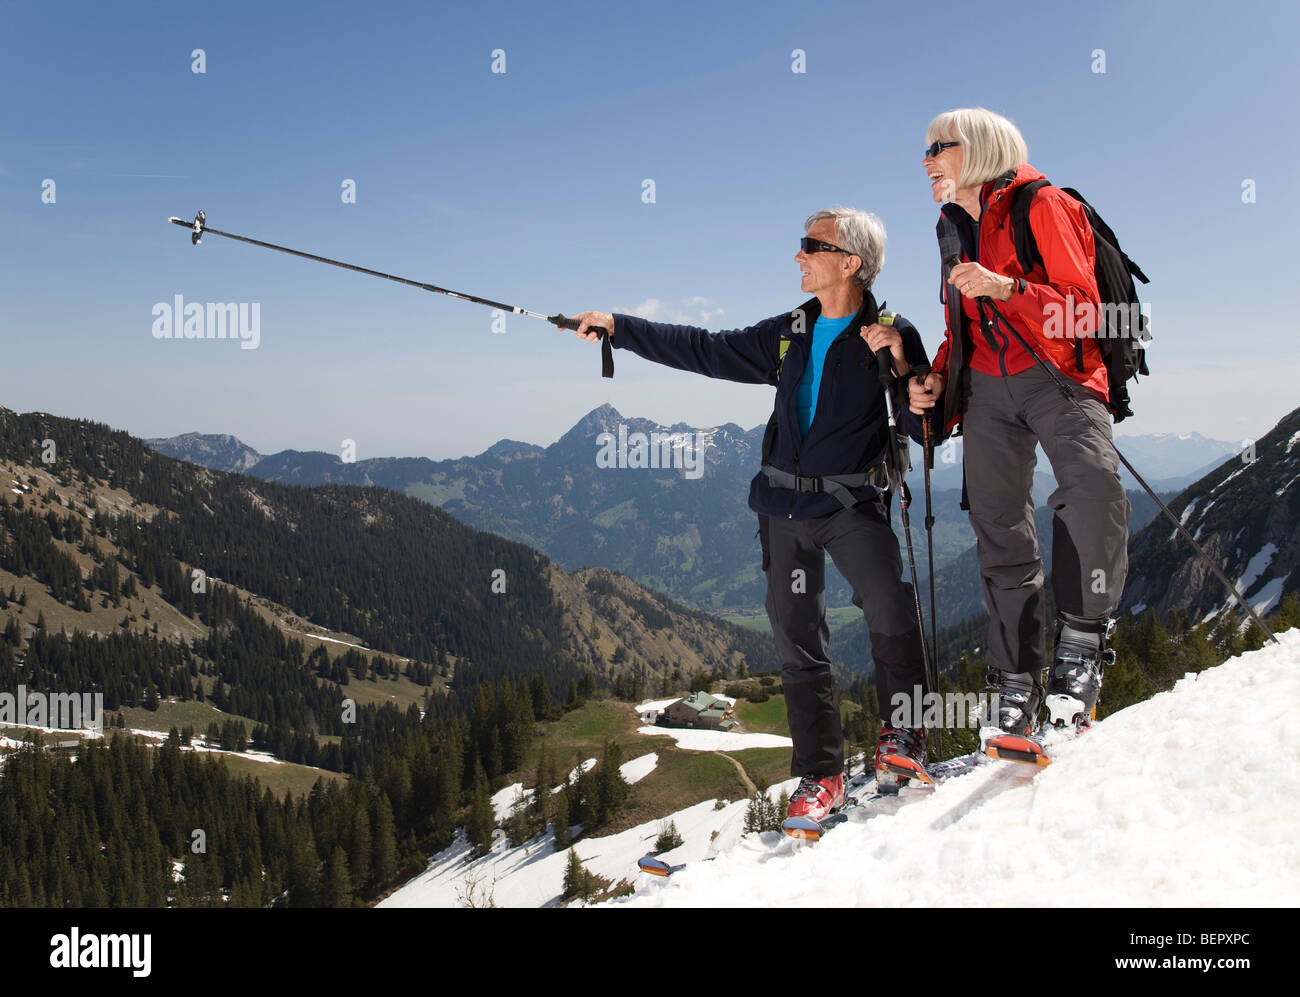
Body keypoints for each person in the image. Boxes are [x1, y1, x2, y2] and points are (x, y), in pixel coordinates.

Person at [571, 206, 932, 819]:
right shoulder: (789, 331)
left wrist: (907, 371)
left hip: (850, 503)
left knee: (892, 607)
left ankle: (904, 737)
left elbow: (927, 422)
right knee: (798, 640)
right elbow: (706, 348)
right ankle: (821, 777)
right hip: (782, 507)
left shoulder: (890, 331)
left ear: (851, 263)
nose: (798, 256)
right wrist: (619, 327)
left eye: (809, 245)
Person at [909, 108, 1129, 741]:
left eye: (937, 147)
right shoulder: (950, 226)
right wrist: (939, 381)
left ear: (976, 149)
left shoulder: (1045, 205)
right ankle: (1014, 682)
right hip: (986, 385)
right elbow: (960, 326)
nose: (926, 160)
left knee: (1091, 488)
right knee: (998, 524)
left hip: (1061, 374)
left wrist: (1007, 288)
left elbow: (1087, 315)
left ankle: (1082, 650)